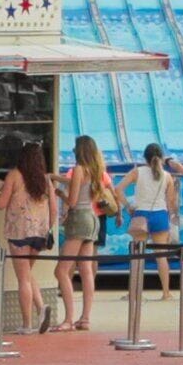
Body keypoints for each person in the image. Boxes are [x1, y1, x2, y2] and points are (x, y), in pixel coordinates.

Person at [0, 144, 62, 333]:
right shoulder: (45, 179)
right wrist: (47, 229)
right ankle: (41, 308)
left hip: (19, 233)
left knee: (23, 280)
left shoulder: (14, 175)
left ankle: (27, 325)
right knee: (26, 273)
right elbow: (54, 209)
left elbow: (2, 204)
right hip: (39, 235)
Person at [59, 136, 110, 329]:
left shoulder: (79, 169)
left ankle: (68, 319)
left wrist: (60, 194)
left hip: (78, 219)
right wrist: (59, 179)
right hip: (92, 219)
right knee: (86, 270)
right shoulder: (96, 170)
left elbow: (71, 201)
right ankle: (85, 318)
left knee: (62, 271)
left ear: (79, 150)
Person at [123, 143, 182, 290]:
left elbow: (118, 189)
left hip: (141, 215)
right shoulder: (167, 176)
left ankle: (135, 292)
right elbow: (171, 202)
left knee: (138, 257)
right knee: (161, 257)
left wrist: (128, 206)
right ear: (161, 158)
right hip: (160, 215)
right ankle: (166, 292)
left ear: (145, 157)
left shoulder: (137, 172)